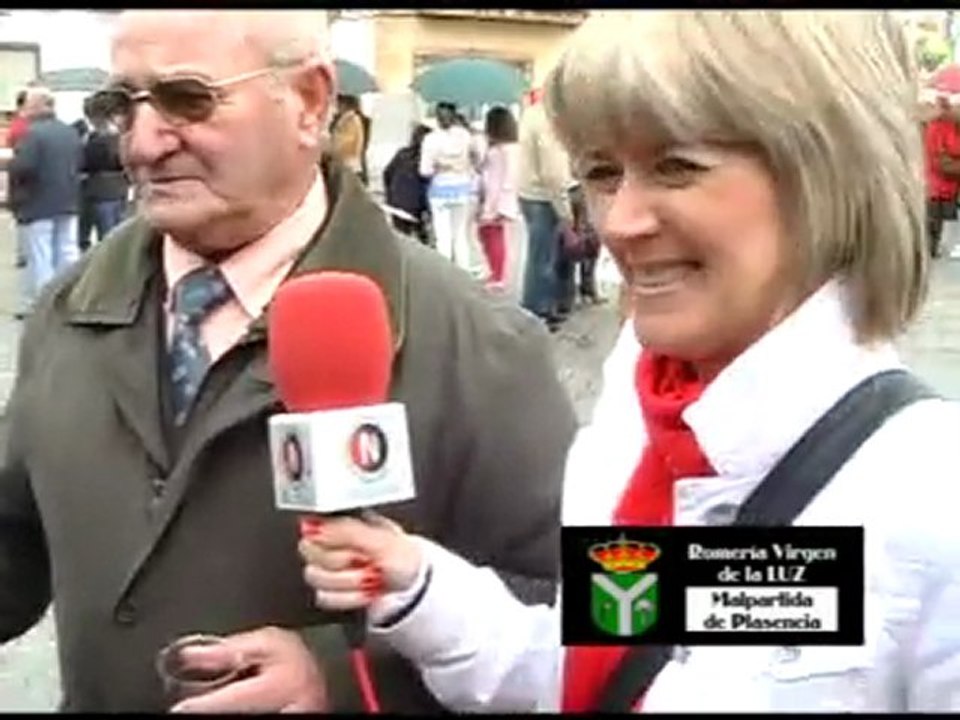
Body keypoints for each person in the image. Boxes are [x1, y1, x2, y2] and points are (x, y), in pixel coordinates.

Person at [299, 10, 960, 713]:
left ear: (829, 173)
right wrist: (418, 584)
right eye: (603, 172)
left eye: (677, 167)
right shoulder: (633, 424)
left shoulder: (928, 498)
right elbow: (601, 661)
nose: (618, 221)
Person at [0, 10, 576, 713]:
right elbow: (15, 541)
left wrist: (343, 677)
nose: (143, 144)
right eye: (122, 104)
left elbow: (593, 614)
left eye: (188, 99)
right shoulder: (68, 310)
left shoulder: (480, 343)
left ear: (307, 100)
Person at [9, 87, 83, 315]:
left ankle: (44, 304)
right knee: (67, 251)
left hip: (37, 202)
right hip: (68, 200)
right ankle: (68, 297)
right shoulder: (70, 132)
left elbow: (24, 166)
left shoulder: (32, 134)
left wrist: (11, 165)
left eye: (27, 104)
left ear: (38, 106)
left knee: (40, 255)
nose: (23, 109)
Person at [518, 88, 574, 332]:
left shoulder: (532, 114)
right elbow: (553, 173)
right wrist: (566, 212)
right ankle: (538, 310)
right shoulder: (549, 121)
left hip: (529, 193)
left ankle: (548, 305)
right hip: (543, 197)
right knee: (543, 258)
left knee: (542, 254)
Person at [419, 101, 478, 272]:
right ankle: (464, 271)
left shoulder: (430, 139)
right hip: (463, 188)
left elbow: (424, 171)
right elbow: (476, 158)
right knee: (460, 235)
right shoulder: (465, 136)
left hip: (439, 190)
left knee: (442, 236)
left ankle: (444, 273)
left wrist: (440, 167)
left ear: (437, 118)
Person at [477, 106, 520, 292]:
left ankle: (498, 274)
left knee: (493, 234)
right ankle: (494, 270)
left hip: (496, 197)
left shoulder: (506, 150)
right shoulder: (500, 148)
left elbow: (508, 177)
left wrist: (501, 202)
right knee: (488, 234)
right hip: (492, 194)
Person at [80, 98, 129, 248]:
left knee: (106, 235)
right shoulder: (122, 137)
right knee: (117, 231)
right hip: (119, 188)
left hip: (99, 190)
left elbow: (87, 163)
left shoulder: (96, 139)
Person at [382, 123, 431, 244]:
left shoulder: (402, 154)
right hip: (416, 206)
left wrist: (389, 194)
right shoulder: (426, 160)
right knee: (422, 238)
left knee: (400, 237)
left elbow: (387, 173)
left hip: (396, 201)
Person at [924, 94, 960, 258]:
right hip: (936, 190)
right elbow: (942, 165)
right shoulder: (937, 128)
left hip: (952, 191)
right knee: (933, 234)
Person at [330, 93, 365, 178]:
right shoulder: (345, 120)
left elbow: (344, 144)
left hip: (348, 166)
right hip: (345, 165)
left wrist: (329, 146)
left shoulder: (351, 120)